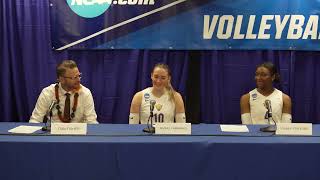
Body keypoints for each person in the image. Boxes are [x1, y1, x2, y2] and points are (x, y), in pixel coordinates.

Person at [29, 60, 98, 124]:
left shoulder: (85, 93)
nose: (78, 80)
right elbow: (36, 119)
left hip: (78, 134)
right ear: (61, 79)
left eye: (79, 76)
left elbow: (91, 121)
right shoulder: (47, 93)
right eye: (74, 77)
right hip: (53, 134)